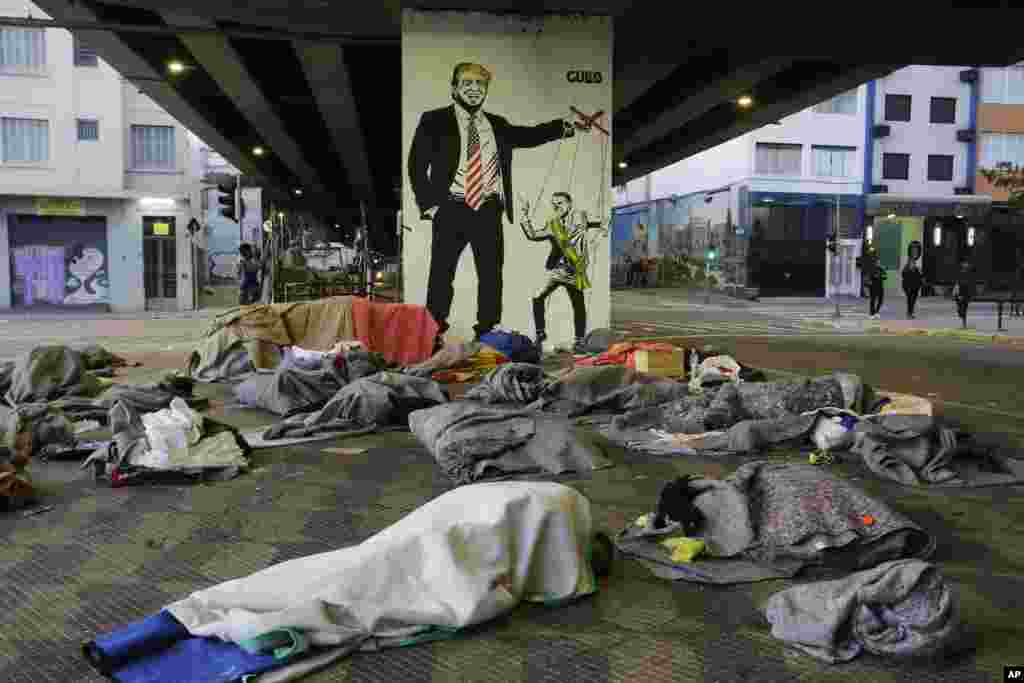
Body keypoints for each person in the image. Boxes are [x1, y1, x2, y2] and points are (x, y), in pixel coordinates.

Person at [408, 62, 578, 352]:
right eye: (467, 83)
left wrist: (561, 128)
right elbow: (416, 165)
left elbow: (528, 135)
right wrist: (431, 207)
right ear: (454, 88)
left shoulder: (496, 124)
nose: (474, 89)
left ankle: (487, 333)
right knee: (441, 274)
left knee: (490, 275)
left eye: (480, 84)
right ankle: (433, 333)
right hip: (452, 208)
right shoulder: (434, 120)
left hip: (488, 209)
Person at [519, 192, 606, 352]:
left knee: (578, 304)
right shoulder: (553, 224)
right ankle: (540, 335)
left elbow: (593, 223)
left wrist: (602, 226)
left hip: (574, 270)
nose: (556, 206)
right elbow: (533, 235)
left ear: (570, 203)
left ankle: (579, 340)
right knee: (537, 297)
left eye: (560, 203)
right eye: (554, 204)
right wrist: (524, 215)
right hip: (556, 270)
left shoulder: (580, 217)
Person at [901, 242, 924, 319]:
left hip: (916, 284)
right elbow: (904, 274)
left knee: (913, 299)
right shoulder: (909, 261)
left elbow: (919, 274)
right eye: (913, 250)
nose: (915, 252)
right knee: (910, 299)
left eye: (916, 250)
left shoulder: (917, 261)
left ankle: (910, 312)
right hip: (909, 284)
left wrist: (920, 275)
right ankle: (909, 313)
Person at [953, 260, 975, 329]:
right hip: (960, 293)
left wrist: (970, 295)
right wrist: (957, 293)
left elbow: (970, 284)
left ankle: (964, 324)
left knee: (964, 309)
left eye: (967, 264)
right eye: (965, 264)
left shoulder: (970, 273)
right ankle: (961, 316)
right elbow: (957, 283)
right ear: (962, 265)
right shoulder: (960, 273)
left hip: (966, 294)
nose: (966, 265)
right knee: (961, 309)